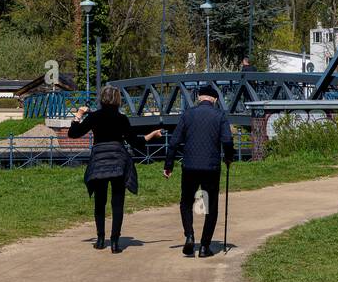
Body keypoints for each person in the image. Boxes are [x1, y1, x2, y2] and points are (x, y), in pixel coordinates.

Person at [69, 86, 162, 253]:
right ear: (118, 99)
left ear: (102, 99)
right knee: (117, 202)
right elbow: (136, 143)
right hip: (118, 161)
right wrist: (152, 135)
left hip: (99, 161)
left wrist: (79, 115)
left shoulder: (94, 117)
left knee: (100, 201)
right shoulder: (122, 119)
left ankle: (99, 239)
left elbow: (73, 134)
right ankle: (115, 242)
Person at [163, 84, 235, 257]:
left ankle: (189, 235)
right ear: (215, 99)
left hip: (189, 166)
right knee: (211, 206)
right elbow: (227, 141)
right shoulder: (219, 115)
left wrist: (168, 165)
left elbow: (174, 142)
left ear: (199, 98)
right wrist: (229, 158)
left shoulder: (187, 115)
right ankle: (204, 246)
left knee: (186, 202)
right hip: (211, 167)